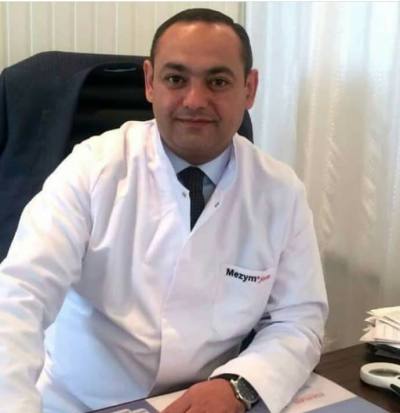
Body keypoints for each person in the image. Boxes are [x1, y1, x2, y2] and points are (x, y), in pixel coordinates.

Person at [0, 8, 328, 413]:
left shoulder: (280, 191)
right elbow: (19, 297)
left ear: (249, 89)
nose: (195, 100)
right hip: (81, 402)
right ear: (149, 82)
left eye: (218, 81)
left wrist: (238, 385)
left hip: (205, 401)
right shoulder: (92, 169)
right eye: (176, 79)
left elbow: (298, 320)